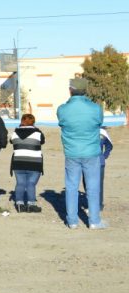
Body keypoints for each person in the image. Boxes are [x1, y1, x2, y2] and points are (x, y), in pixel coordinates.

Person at [57, 78, 105, 229]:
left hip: (72, 153)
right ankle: (94, 221)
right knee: (93, 187)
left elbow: (62, 122)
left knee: (71, 186)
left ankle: (72, 221)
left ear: (70, 90)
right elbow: (98, 123)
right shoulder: (96, 108)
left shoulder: (62, 109)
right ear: (86, 90)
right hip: (91, 152)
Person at [9, 113, 45, 213]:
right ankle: (31, 204)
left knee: (20, 183)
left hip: (18, 162)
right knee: (31, 183)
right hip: (34, 162)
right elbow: (42, 142)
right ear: (33, 122)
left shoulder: (15, 133)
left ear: (21, 121)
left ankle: (19, 204)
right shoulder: (38, 133)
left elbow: (11, 141)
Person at [98, 127, 113, 210]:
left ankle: (99, 205)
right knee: (87, 184)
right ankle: (89, 204)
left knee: (99, 185)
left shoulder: (102, 132)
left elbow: (109, 145)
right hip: (86, 162)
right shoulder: (85, 129)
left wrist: (104, 156)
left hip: (99, 163)